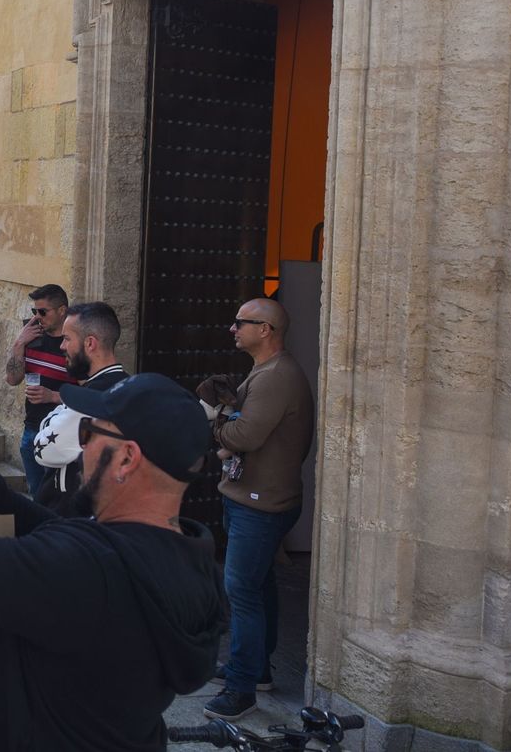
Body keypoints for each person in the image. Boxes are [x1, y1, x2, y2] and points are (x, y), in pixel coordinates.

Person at [0, 373, 228, 751]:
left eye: (88, 433)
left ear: (127, 458)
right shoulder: (191, 559)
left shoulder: (85, 570)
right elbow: (70, 537)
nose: (80, 450)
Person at [202, 297, 315, 721]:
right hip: (251, 497)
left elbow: (245, 435)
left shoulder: (276, 377)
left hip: (260, 505)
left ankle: (241, 689)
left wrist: (218, 420)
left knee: (242, 593)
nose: (233, 329)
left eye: (241, 323)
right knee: (258, 585)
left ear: (265, 330)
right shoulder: (267, 371)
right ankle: (258, 669)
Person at [32, 301, 129, 513]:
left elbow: (44, 450)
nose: (62, 346)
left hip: (69, 523)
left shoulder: (93, 398)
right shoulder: (125, 386)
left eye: (67, 339)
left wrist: (51, 418)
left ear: (90, 343)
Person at [5, 282, 72, 494]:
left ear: (62, 311)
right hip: (32, 431)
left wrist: (52, 396)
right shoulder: (32, 340)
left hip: (61, 434)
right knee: (36, 494)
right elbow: (12, 379)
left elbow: (88, 394)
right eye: (34, 311)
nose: (37, 317)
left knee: (57, 498)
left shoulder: (73, 345)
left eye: (42, 311)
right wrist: (19, 344)